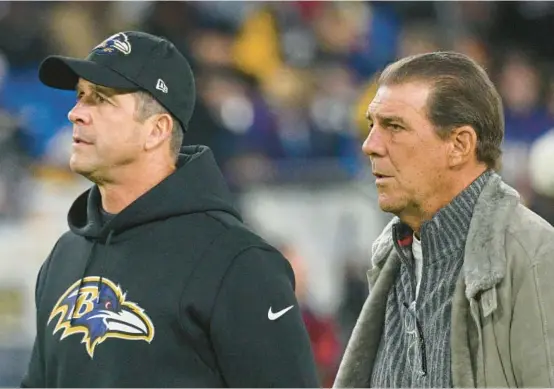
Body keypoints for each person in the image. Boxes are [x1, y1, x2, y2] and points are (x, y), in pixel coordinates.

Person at [20, 31, 319, 388]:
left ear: (156, 130)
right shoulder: (64, 255)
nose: (74, 113)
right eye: (80, 96)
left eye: (99, 99)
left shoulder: (238, 262)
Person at [333, 51, 554, 388]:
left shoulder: (534, 256)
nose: (370, 145)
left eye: (394, 127)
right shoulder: (390, 256)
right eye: (372, 125)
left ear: (459, 145)